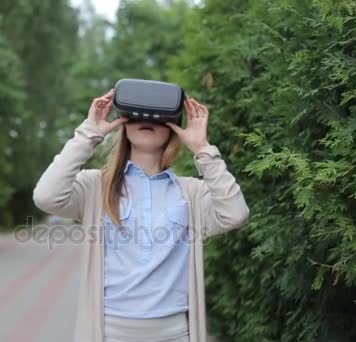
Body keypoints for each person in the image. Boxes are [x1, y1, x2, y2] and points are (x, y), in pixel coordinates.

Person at [32, 88, 250, 342]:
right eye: (136, 114)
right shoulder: (95, 187)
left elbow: (235, 214)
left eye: (158, 116)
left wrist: (202, 149)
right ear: (123, 123)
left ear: (172, 126)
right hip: (108, 333)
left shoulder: (191, 192)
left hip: (175, 333)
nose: (147, 120)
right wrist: (88, 134)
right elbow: (46, 196)